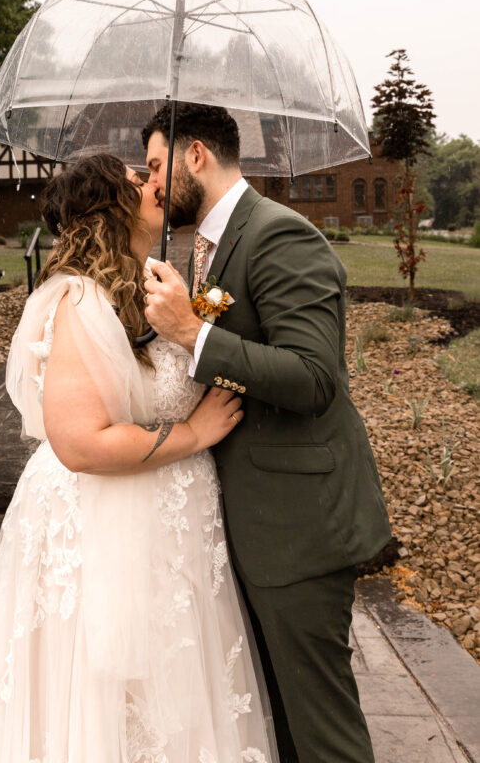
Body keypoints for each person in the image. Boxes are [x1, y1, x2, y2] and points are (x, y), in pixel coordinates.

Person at [0, 153, 279, 763]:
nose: (154, 184)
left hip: (169, 523)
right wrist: (193, 432)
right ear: (109, 207)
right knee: (111, 700)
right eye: (138, 180)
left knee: (170, 694)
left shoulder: (148, 286)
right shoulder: (80, 300)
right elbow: (80, 443)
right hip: (108, 520)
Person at [142, 103, 392, 763]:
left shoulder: (281, 236)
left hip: (297, 531)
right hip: (248, 523)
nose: (154, 184)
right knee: (275, 720)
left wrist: (192, 334)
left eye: (157, 165)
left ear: (196, 155)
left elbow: (314, 378)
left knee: (319, 730)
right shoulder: (211, 245)